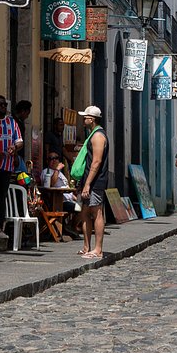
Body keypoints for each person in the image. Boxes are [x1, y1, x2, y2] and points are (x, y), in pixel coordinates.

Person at [76, 105, 109, 261]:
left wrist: (88, 183)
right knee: (85, 213)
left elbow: (96, 161)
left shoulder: (98, 136)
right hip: (88, 180)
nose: (84, 119)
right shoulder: (92, 135)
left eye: (86, 117)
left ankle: (98, 249)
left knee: (96, 212)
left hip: (95, 181)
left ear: (92, 119)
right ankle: (86, 247)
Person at [0, 94, 23, 231]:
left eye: (5, 104)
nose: (3, 107)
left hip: (6, 166)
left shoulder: (11, 122)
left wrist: (14, 147)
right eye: (0, 105)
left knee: (1, 196)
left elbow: (19, 141)